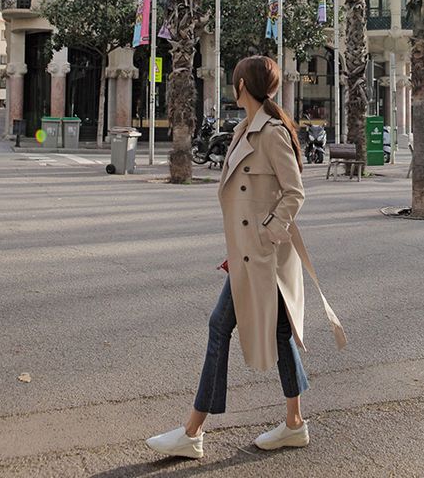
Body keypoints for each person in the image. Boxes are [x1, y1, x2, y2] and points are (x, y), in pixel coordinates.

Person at [146, 56, 346, 459]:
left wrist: (265, 235)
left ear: (242, 86)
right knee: (277, 332)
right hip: (249, 255)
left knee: (221, 326)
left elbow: (295, 191)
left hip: (265, 256)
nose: (230, 86)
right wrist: (241, 246)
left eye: (233, 80)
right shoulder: (244, 130)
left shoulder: (269, 133)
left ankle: (193, 430)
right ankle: (293, 424)